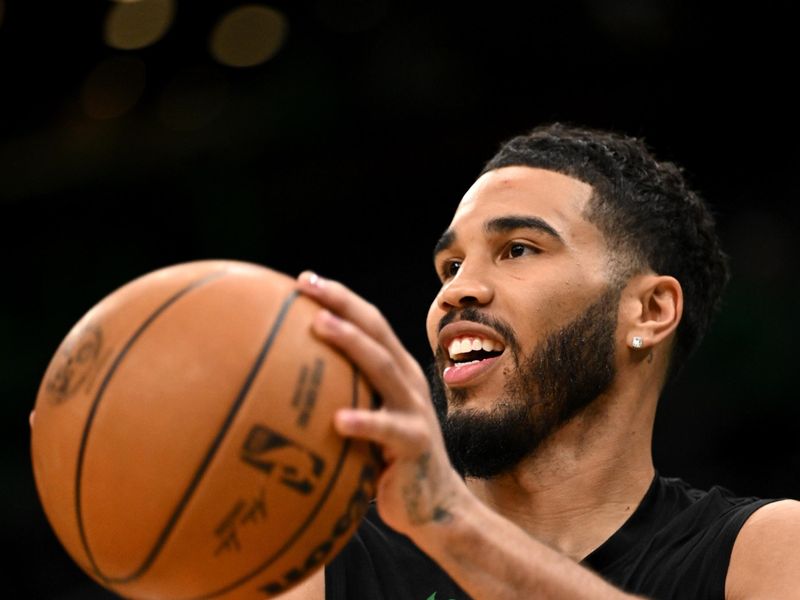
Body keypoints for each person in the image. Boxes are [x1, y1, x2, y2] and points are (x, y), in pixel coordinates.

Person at [284, 123, 800, 599]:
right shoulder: (321, 558)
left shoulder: (765, 550)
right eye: (451, 266)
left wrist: (454, 528)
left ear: (648, 311)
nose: (458, 289)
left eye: (518, 249)